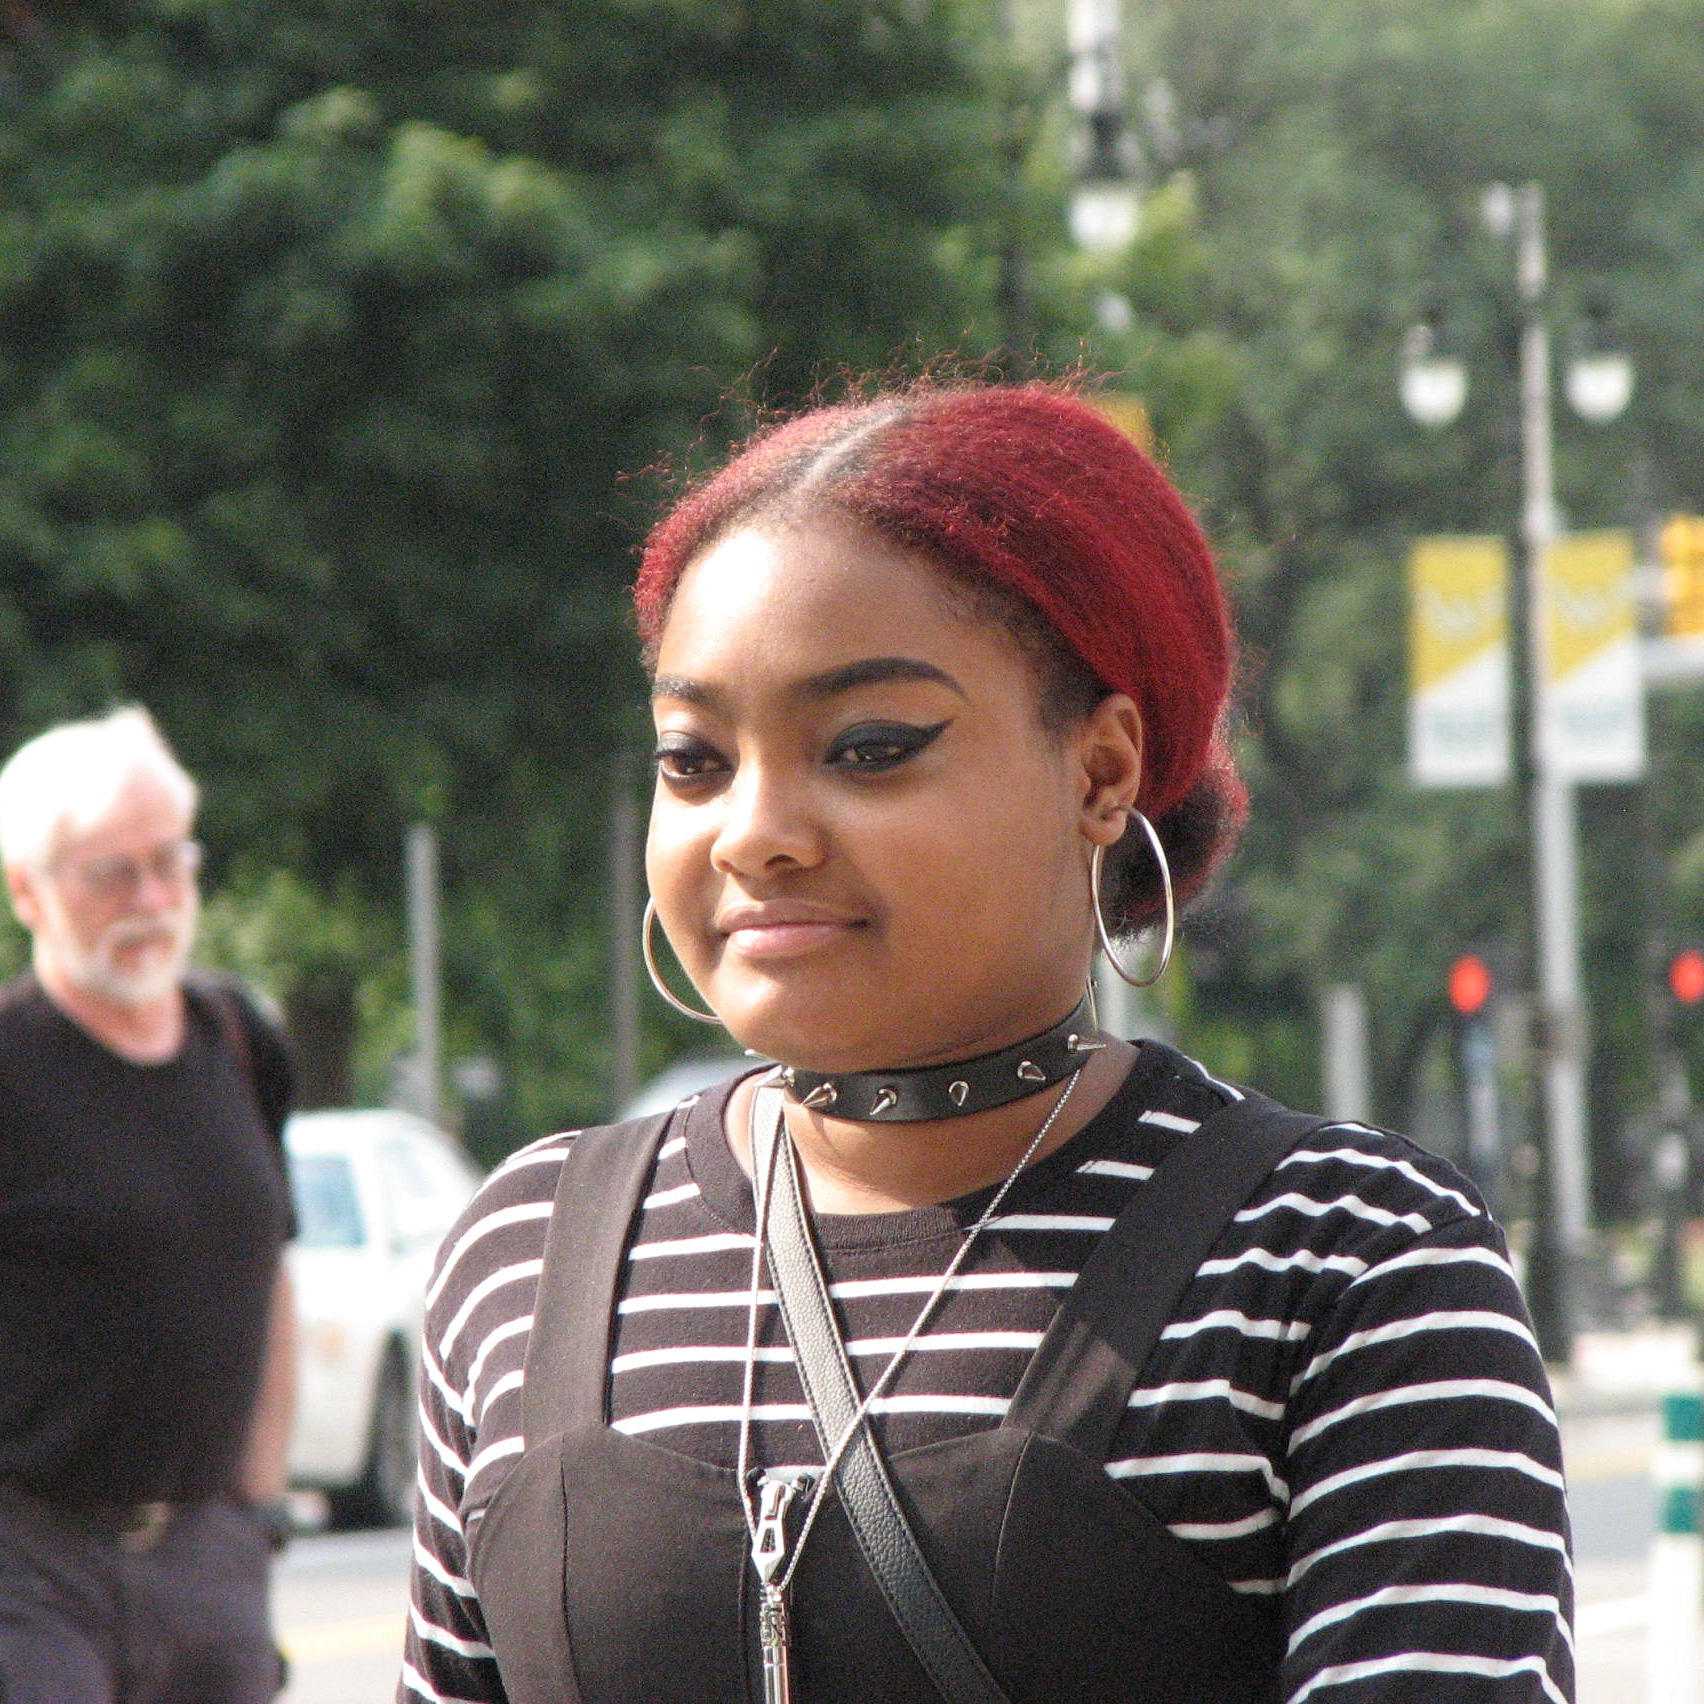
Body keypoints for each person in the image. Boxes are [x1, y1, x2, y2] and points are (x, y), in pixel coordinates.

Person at [403, 384, 1572, 1704]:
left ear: (1101, 773)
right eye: (695, 759)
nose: (755, 833)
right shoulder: (526, 1256)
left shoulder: (1347, 1261)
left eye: (868, 748)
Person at [0, 706, 298, 1704]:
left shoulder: (241, 1042)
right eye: (111, 874)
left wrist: (256, 1511)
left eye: (170, 861)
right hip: (30, 1569)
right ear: (27, 890)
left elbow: (272, 1273)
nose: (153, 899)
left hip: (208, 1560)